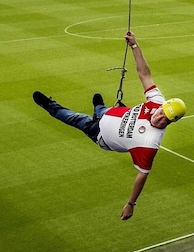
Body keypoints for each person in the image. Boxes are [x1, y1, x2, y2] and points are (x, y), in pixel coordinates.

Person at [33, 31, 186, 220]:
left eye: (166, 120)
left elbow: (142, 175)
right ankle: (99, 108)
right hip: (111, 114)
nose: (160, 118)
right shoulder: (156, 101)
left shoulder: (149, 142)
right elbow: (144, 74)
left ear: (172, 122)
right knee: (102, 110)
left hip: (100, 134)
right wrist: (135, 46)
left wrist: (131, 204)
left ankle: (50, 106)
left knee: (75, 119)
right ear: (162, 106)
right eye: (162, 113)